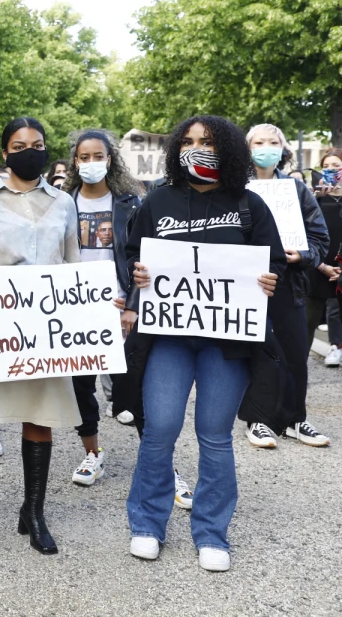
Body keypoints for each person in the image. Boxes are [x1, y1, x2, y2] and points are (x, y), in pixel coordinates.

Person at [118, 115, 284, 572]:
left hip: (226, 342)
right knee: (160, 429)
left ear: (227, 149)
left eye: (207, 142)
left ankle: (212, 532)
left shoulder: (249, 205)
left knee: (215, 435)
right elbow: (134, 252)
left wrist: (271, 280)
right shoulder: (158, 200)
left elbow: (274, 264)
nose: (196, 149)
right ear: (176, 150)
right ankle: (147, 524)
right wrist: (138, 276)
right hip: (169, 338)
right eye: (188, 142)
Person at [0, 117, 82, 557]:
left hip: (48, 327)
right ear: (5, 152)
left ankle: (34, 511)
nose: (30, 150)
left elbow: (73, 262)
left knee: (39, 419)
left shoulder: (64, 202)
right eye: (20, 145)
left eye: (38, 144)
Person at [58, 130, 145, 487]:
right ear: (75, 162)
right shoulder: (63, 203)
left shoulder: (130, 203)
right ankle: (92, 454)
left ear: (110, 160)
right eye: (84, 157)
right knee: (81, 386)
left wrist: (132, 305)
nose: (92, 162)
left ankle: (158, 462)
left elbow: (141, 259)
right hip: (76, 310)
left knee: (134, 387)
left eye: (99, 156)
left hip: (119, 308)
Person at [242, 124, 331, 448]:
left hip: (289, 283)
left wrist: (303, 255)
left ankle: (295, 419)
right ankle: (258, 420)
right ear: (247, 148)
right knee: (254, 350)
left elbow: (319, 236)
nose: (267, 147)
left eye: (273, 142)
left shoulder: (297, 189)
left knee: (294, 352)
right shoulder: (235, 188)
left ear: (283, 148)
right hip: (246, 284)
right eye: (259, 142)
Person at [309, 148, 342, 368]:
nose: (331, 170)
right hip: (320, 264)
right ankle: (334, 346)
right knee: (318, 311)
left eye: (336, 166)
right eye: (326, 166)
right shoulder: (314, 199)